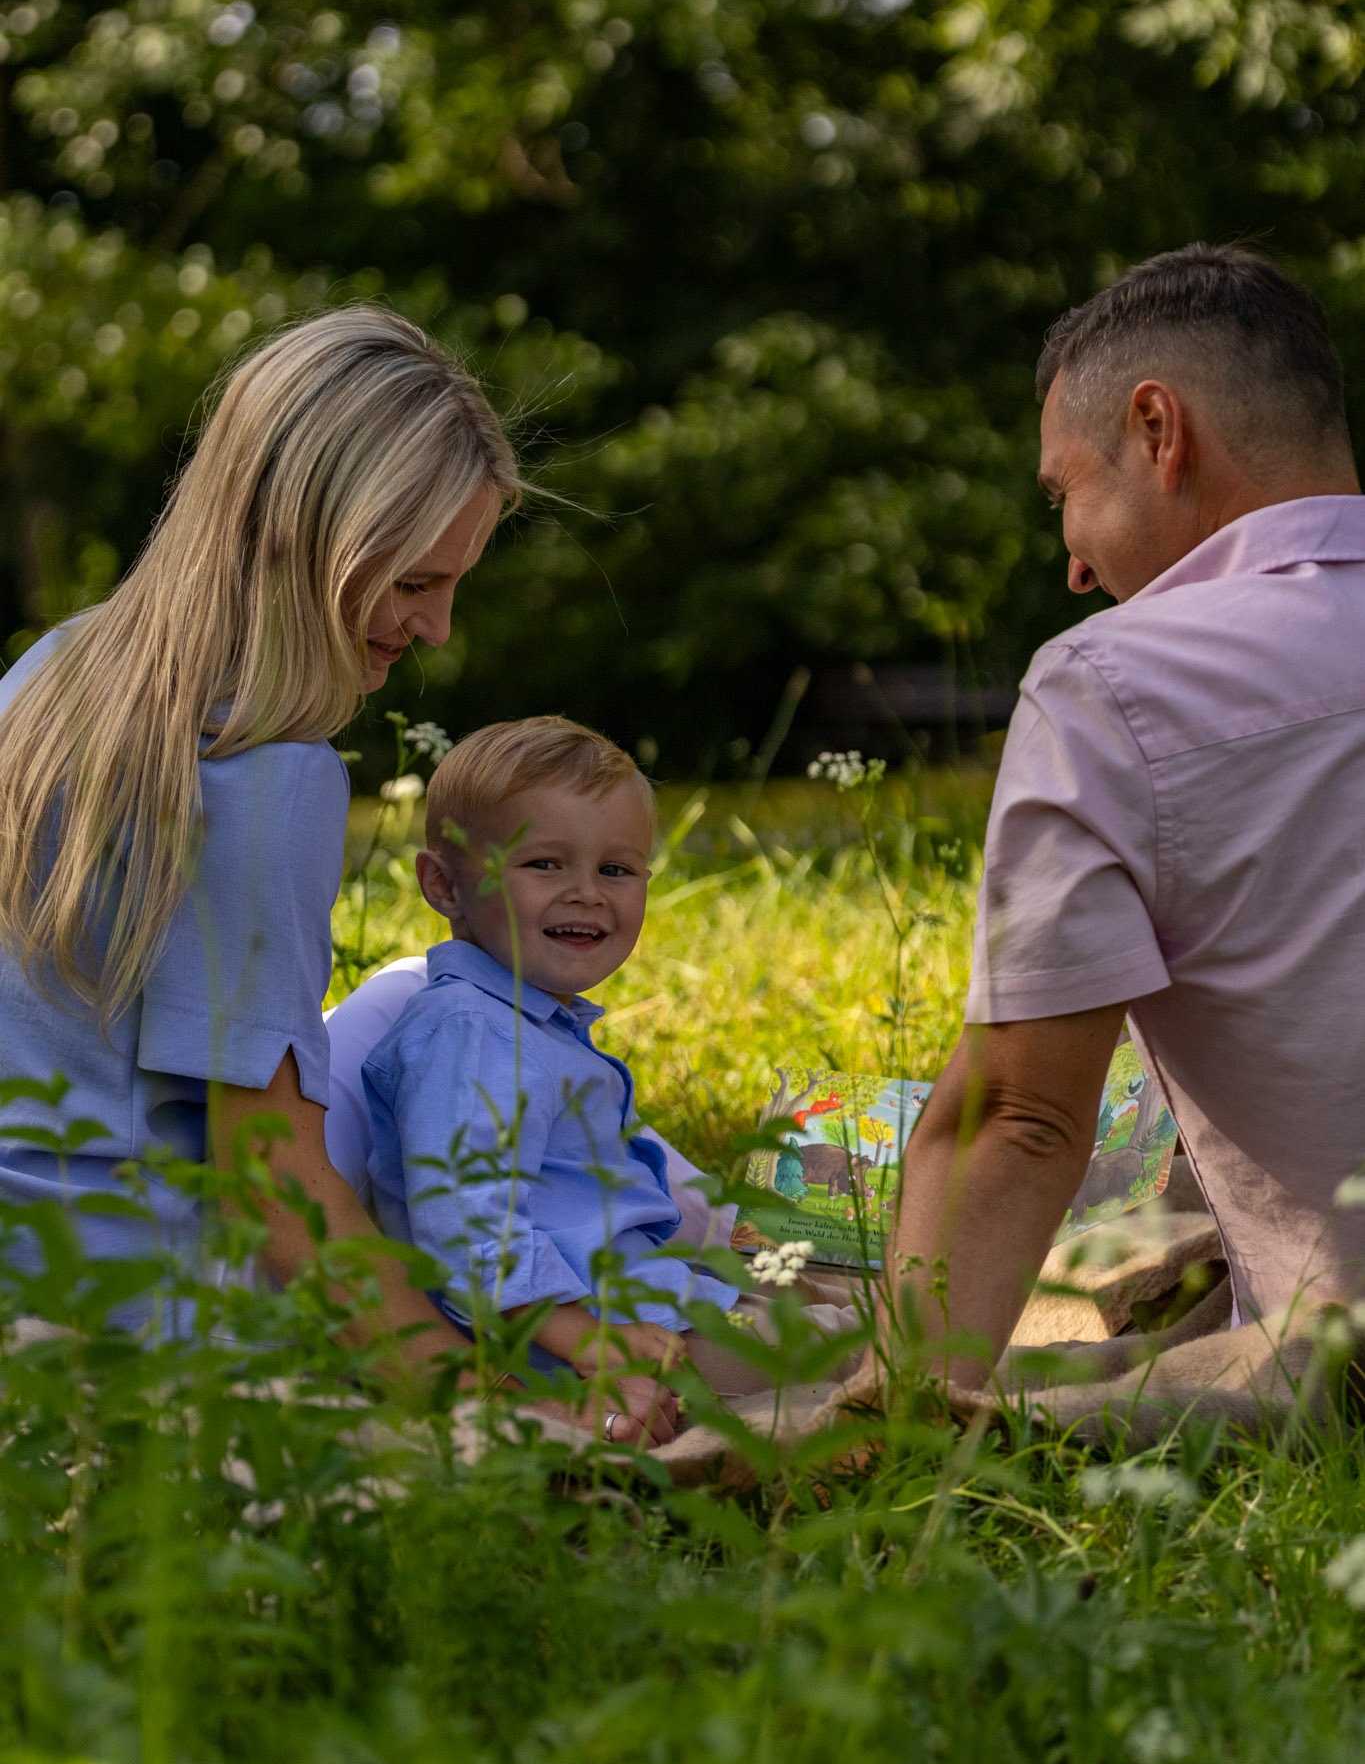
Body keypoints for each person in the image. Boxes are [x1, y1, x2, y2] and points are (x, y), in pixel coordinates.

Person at [0, 305, 673, 1437]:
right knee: (452, 1045)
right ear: (305, 534)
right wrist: (473, 1403)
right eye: (415, 580)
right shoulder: (266, 773)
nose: (440, 626)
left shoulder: (55, 672)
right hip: (143, 1317)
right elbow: (268, 1177)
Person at [879, 243, 1365, 1385]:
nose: (1074, 564)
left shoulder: (1109, 683)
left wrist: (900, 1417)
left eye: (1065, 493)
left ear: (1160, 429)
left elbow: (1022, 1121)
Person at [354, 716, 863, 1443]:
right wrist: (587, 1340)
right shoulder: (470, 1035)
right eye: (544, 865)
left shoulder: (523, 1024)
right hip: (580, 1347)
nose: (587, 894)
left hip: (642, 1308)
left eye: (615, 870)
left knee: (842, 1306)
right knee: (874, 1350)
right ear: (445, 885)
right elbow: (467, 1235)